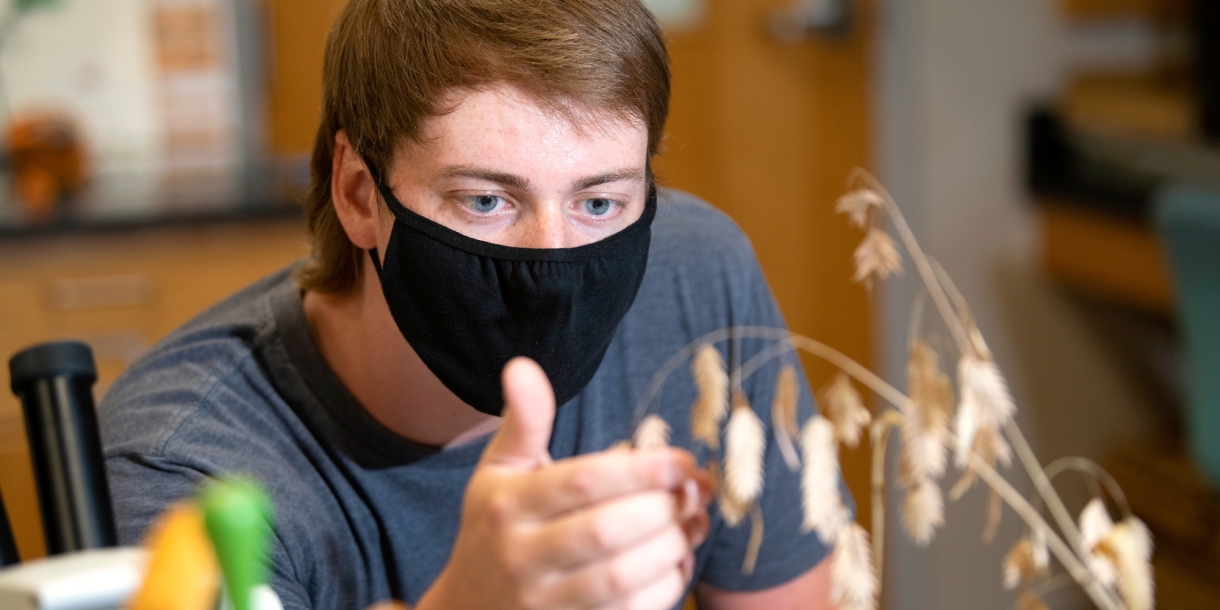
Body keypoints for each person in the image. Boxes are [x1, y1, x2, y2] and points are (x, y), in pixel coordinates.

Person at [101, 1, 845, 608]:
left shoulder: (691, 274)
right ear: (360, 195)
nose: (555, 258)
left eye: (600, 200)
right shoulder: (185, 468)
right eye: (486, 200)